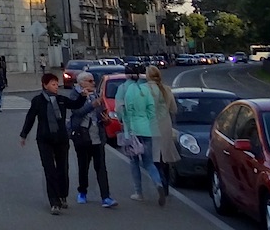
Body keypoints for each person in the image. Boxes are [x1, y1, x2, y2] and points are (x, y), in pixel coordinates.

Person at [20, 72, 86, 214]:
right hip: (44, 140)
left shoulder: (61, 99)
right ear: (45, 85)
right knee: (49, 170)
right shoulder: (38, 101)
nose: (56, 87)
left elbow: (75, 105)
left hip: (61, 139)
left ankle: (62, 196)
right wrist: (24, 134)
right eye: (53, 84)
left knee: (63, 169)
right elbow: (30, 117)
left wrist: (83, 96)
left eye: (57, 84)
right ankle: (54, 202)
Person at [117, 63, 166, 205]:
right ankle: (158, 183)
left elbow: (121, 110)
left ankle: (139, 192)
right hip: (146, 129)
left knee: (134, 162)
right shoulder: (146, 90)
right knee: (149, 162)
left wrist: (124, 122)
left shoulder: (124, 89)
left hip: (132, 130)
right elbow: (151, 110)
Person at [68, 71, 116, 208]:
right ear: (81, 82)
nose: (93, 83)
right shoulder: (75, 94)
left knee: (101, 167)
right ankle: (82, 192)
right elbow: (77, 111)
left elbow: (101, 111)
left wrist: (105, 119)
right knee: (83, 166)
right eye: (90, 81)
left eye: (93, 81)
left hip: (97, 135)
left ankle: (106, 197)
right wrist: (92, 105)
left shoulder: (95, 94)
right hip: (82, 136)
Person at [146, 65, 179, 197]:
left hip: (150, 125)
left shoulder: (145, 90)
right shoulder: (166, 89)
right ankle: (165, 188)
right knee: (163, 157)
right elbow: (174, 109)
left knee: (152, 157)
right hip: (165, 125)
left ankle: (159, 182)